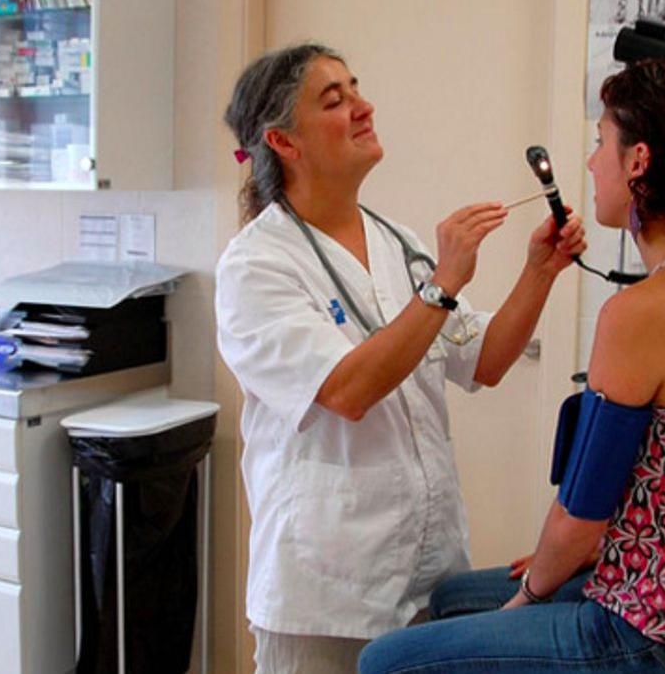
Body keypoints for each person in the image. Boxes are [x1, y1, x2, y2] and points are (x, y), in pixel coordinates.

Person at [360, 57, 665, 674]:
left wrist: (527, 600)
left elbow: (583, 513)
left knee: (384, 663)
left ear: (637, 161)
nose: (590, 164)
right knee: (454, 599)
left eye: (599, 143)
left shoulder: (643, 310)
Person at [215, 43, 587, 672]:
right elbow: (346, 392)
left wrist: (539, 272)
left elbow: (484, 362)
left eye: (356, 88)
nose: (364, 108)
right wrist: (441, 286)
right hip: (326, 594)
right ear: (283, 142)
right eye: (335, 100)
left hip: (429, 580)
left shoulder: (396, 241)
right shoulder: (257, 266)